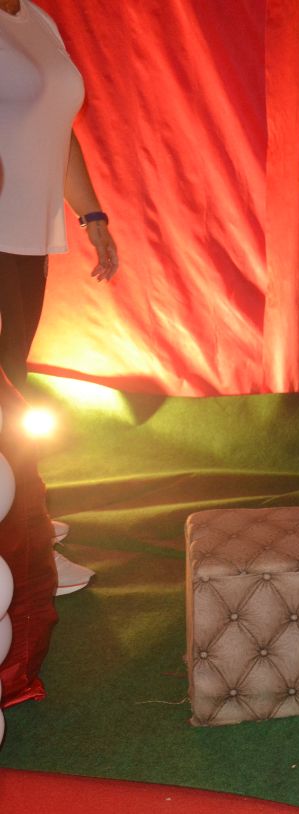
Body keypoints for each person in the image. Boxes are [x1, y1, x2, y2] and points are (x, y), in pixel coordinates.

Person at [1, 0, 118, 596]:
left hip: (25, 238)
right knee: (5, 398)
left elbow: (57, 128)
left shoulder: (37, 19)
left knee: (11, 385)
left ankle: (20, 518)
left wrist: (91, 214)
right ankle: (24, 549)